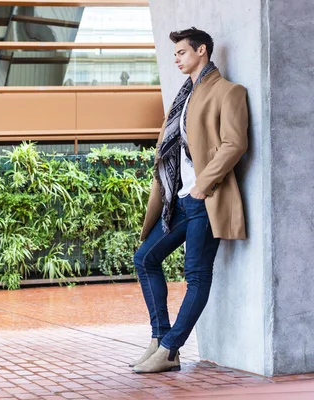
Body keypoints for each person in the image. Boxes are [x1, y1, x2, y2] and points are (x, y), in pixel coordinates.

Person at [130, 27, 249, 373]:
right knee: (145, 258)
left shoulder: (229, 92)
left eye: (182, 52)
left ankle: (170, 350)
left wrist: (203, 185)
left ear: (202, 51)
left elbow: (235, 143)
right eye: (175, 54)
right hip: (179, 199)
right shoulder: (184, 96)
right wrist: (184, 189)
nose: (177, 59)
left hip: (206, 199)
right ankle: (159, 337)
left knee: (196, 274)